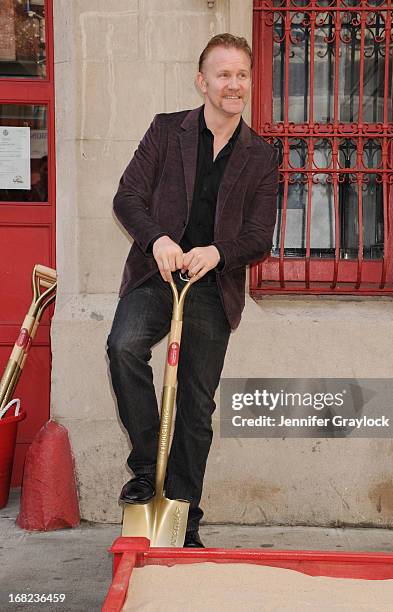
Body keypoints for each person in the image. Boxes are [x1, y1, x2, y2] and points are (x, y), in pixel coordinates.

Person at [107, 33, 278, 548]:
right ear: (202, 81)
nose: (234, 84)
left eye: (242, 74)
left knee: (195, 406)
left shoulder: (260, 156)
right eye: (223, 74)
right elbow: (127, 196)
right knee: (123, 347)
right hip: (155, 274)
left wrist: (219, 253)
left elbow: (258, 237)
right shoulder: (166, 131)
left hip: (211, 285)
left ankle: (184, 520)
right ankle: (145, 468)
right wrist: (157, 238)